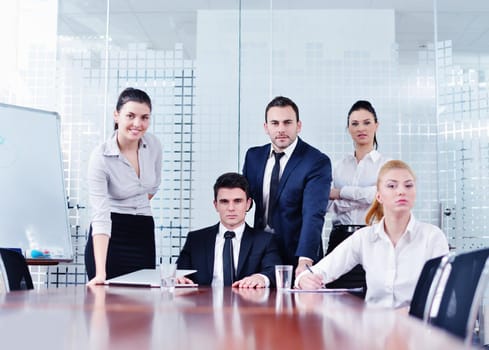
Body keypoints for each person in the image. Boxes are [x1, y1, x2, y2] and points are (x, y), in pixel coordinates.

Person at [296, 160, 449, 309]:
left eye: (408, 185)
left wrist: (408, 315)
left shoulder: (432, 237)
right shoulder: (364, 238)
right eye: (391, 186)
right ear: (378, 196)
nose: (401, 191)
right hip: (374, 329)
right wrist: (304, 280)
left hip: (415, 330)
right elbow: (320, 270)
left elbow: (441, 297)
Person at [242, 96, 332, 277]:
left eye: (287, 122)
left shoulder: (316, 161)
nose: (281, 129)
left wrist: (306, 258)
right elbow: (243, 201)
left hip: (297, 254)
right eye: (275, 123)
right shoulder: (253, 157)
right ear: (266, 127)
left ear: (298, 126)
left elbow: (313, 213)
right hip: (260, 253)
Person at [85, 87, 162, 286]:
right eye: (131, 116)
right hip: (110, 235)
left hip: (142, 232)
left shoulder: (153, 145)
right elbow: (101, 217)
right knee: (107, 305)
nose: (138, 124)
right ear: (116, 115)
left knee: (143, 307)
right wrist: (100, 273)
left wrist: (135, 207)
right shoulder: (100, 157)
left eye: (145, 117)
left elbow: (153, 187)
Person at [326, 100, 391, 290]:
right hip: (339, 239)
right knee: (335, 302)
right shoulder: (338, 166)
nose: (360, 128)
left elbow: (381, 196)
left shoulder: (387, 164)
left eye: (366, 122)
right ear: (348, 128)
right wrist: (363, 198)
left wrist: (340, 193)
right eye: (354, 123)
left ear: (376, 125)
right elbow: (326, 203)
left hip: (374, 239)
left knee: (373, 301)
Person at [176, 172, 282, 288]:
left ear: (248, 204)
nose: (231, 208)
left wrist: (261, 278)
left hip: (248, 303)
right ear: (216, 205)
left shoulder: (265, 240)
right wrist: (178, 279)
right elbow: (180, 273)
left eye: (237, 201)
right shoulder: (196, 240)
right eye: (224, 201)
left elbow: (273, 271)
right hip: (204, 303)